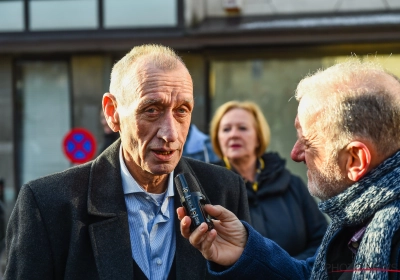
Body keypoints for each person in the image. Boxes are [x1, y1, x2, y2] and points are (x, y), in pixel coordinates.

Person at [4, 44, 250, 280]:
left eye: (182, 110)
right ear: (112, 113)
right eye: (152, 110)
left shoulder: (224, 191)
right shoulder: (47, 206)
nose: (171, 134)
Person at [178, 59, 400, 279]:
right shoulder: (355, 223)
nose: (295, 154)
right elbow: (311, 275)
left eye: (308, 141)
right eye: (226, 129)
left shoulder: (293, 185)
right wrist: (245, 250)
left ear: (355, 160)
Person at [209, 100, 327, 259]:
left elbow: (321, 239)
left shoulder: (292, 184)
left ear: (258, 137)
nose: (233, 134)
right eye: (226, 129)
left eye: (242, 128)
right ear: (218, 139)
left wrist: (293, 270)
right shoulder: (210, 187)